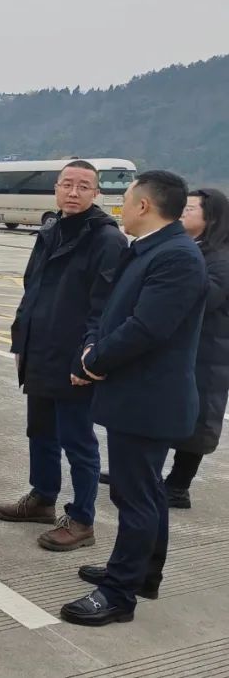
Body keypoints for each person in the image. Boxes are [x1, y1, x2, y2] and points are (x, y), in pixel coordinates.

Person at [61, 170, 207, 626]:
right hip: (136, 395)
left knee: (135, 496)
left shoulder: (176, 256)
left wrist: (94, 361)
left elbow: (146, 328)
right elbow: (110, 312)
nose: (119, 207)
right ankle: (142, 572)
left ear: (144, 205)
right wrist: (93, 345)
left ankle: (118, 594)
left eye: (124, 199)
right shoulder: (149, 249)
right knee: (144, 492)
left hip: (149, 400)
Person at [0, 160, 127, 552]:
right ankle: (42, 497)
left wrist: (88, 358)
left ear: (96, 192)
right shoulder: (50, 229)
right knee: (40, 431)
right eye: (67, 184)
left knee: (77, 440)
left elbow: (105, 307)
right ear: (55, 188)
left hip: (73, 357)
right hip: (40, 350)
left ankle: (82, 519)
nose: (73, 192)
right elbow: (31, 287)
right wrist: (21, 341)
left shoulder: (107, 239)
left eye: (83, 186)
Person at [163, 188, 229, 507]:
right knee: (169, 411)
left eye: (190, 209)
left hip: (209, 352)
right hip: (187, 348)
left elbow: (208, 298)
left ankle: (178, 487)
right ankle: (146, 471)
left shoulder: (221, 258)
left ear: (210, 217)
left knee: (199, 418)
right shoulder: (195, 249)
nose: (182, 213)